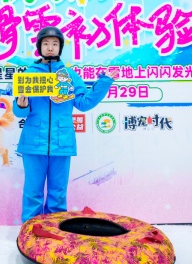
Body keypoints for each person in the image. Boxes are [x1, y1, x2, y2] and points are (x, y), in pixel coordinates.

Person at [14, 26, 119, 223]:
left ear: (60, 47)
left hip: (62, 142)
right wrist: (21, 103)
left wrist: (105, 82)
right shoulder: (29, 75)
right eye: (46, 43)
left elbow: (84, 103)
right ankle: (30, 230)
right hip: (33, 143)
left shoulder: (69, 76)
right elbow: (19, 112)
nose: (50, 48)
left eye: (55, 44)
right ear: (39, 47)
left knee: (58, 193)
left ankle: (55, 230)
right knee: (32, 192)